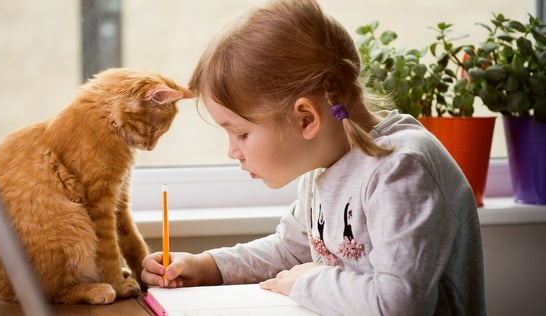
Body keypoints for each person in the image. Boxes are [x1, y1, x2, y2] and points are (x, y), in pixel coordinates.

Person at [141, 0, 486, 314]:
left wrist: (304, 282)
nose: (233, 150)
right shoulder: (324, 166)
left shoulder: (403, 169)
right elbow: (291, 252)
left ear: (306, 118)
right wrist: (207, 267)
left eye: (241, 133)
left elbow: (398, 304)